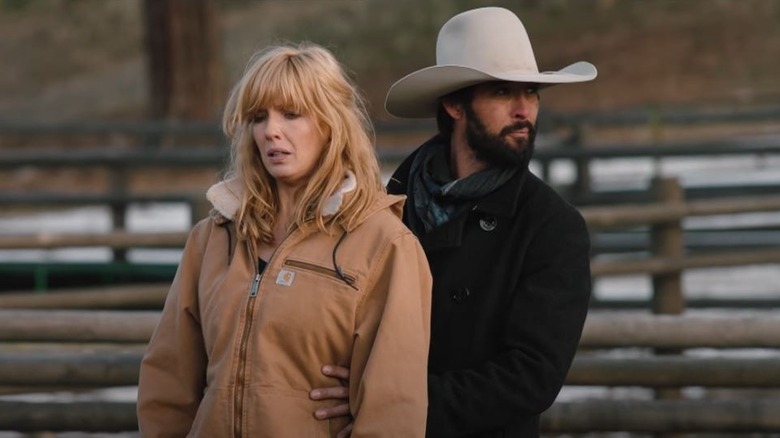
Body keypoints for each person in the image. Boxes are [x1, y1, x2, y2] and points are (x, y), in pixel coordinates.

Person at [311, 7, 595, 437]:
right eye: (503, 92)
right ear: (454, 104)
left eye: (532, 92)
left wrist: (392, 404)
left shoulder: (552, 227)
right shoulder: (383, 208)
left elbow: (530, 377)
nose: (524, 110)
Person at [137, 43, 433, 437]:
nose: (271, 130)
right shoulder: (213, 237)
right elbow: (169, 381)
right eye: (259, 117)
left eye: (291, 114)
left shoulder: (385, 244)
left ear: (331, 122)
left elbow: (393, 408)